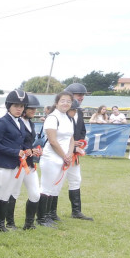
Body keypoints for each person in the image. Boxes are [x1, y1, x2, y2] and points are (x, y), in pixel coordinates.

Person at [0, 89, 28, 232]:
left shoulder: (20, 122)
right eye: (16, 106)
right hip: (2, 163)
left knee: (6, 194)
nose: (19, 109)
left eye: (21, 106)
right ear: (9, 106)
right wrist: (15, 152)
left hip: (14, 164)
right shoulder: (2, 122)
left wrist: (26, 150)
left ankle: (0, 224)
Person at [38, 91, 76, 228]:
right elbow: (53, 141)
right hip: (51, 157)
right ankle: (41, 218)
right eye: (63, 100)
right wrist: (64, 155)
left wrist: (70, 154)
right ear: (57, 102)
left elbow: (71, 138)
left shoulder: (69, 118)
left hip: (64, 157)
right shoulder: (52, 118)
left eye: (68, 101)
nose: (66, 103)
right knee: (47, 187)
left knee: (56, 187)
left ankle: (50, 214)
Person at [63, 82, 93, 220]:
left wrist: (80, 142)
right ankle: (47, 213)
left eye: (83, 95)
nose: (81, 97)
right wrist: (71, 143)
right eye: (79, 95)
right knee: (55, 182)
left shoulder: (79, 112)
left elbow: (82, 130)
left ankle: (76, 211)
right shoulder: (60, 112)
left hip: (74, 153)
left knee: (76, 179)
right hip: (61, 152)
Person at [16, 94, 43, 230]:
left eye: (35, 109)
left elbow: (30, 143)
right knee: (12, 193)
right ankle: (8, 223)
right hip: (18, 162)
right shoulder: (17, 122)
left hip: (29, 163)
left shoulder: (31, 123)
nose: (34, 111)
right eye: (31, 108)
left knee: (35, 193)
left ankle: (29, 223)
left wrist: (35, 150)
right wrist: (27, 150)